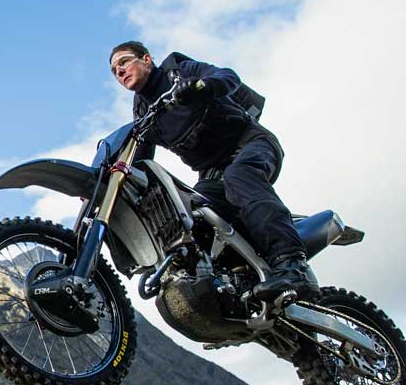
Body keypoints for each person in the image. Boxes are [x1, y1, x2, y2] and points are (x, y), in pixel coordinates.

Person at [109, 40, 318, 301]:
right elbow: (139, 161)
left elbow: (227, 76)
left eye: (124, 61)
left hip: (250, 144)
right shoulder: (144, 113)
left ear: (147, 59)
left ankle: (292, 264)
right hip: (212, 173)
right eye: (114, 70)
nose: (119, 71)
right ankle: (234, 283)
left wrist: (202, 86)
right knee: (191, 213)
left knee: (239, 177)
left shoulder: (179, 71)